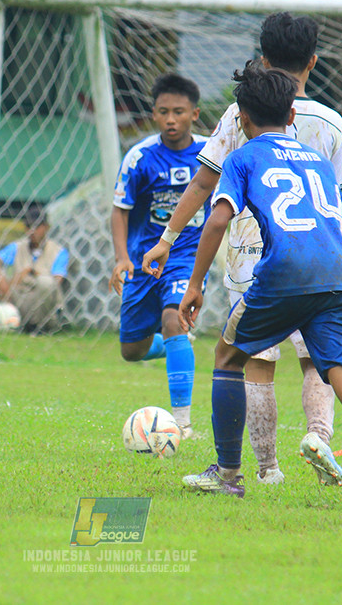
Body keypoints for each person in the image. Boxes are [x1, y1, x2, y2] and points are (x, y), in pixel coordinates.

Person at [177, 65, 342, 508]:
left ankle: (228, 474)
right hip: (337, 275)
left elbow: (219, 218)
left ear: (241, 118)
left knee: (228, 356)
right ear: (292, 114)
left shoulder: (243, 157)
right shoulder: (317, 160)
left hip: (283, 270)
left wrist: (195, 282)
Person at [142, 13, 342, 487]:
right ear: (313, 61)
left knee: (255, 359)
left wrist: (166, 239)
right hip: (318, 253)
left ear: (264, 60)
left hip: (254, 255)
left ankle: (267, 469)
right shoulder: (332, 123)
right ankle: (319, 435)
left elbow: (204, 182)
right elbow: (333, 200)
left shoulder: (241, 114)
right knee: (316, 357)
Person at [108, 73, 208, 438]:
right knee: (131, 350)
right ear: (153, 114)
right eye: (163, 112)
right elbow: (120, 209)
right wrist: (122, 259)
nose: (170, 119)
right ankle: (176, 347)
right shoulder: (140, 157)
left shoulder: (211, 154)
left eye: (178, 112)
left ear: (194, 114)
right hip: (143, 261)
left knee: (173, 319)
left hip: (186, 256)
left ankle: (182, 425)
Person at [0, 205, 69, 334]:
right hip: (19, 297)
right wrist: (2, 281)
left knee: (45, 283)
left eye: (37, 227)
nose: (32, 231)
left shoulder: (58, 251)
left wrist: (34, 273)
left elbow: (56, 281)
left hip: (41, 302)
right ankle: (2, 317)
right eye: (28, 226)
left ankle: (39, 327)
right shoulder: (18, 247)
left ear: (46, 227)